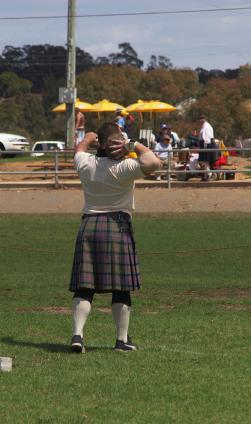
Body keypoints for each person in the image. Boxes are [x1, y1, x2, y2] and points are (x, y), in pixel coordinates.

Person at [69, 122, 161, 353]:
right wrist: (131, 144)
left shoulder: (86, 164)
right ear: (119, 143)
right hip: (117, 226)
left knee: (84, 286)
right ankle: (121, 341)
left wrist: (89, 138)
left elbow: (78, 150)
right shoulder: (125, 167)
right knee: (121, 288)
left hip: (89, 225)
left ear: (99, 143)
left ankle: (77, 336)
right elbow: (154, 162)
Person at [198, 116, 217, 181]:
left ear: (203, 120)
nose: (200, 121)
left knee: (204, 161)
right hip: (206, 144)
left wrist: (205, 147)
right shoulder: (205, 126)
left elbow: (206, 138)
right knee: (205, 162)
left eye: (201, 120)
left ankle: (209, 174)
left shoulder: (206, 126)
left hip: (207, 145)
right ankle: (207, 175)